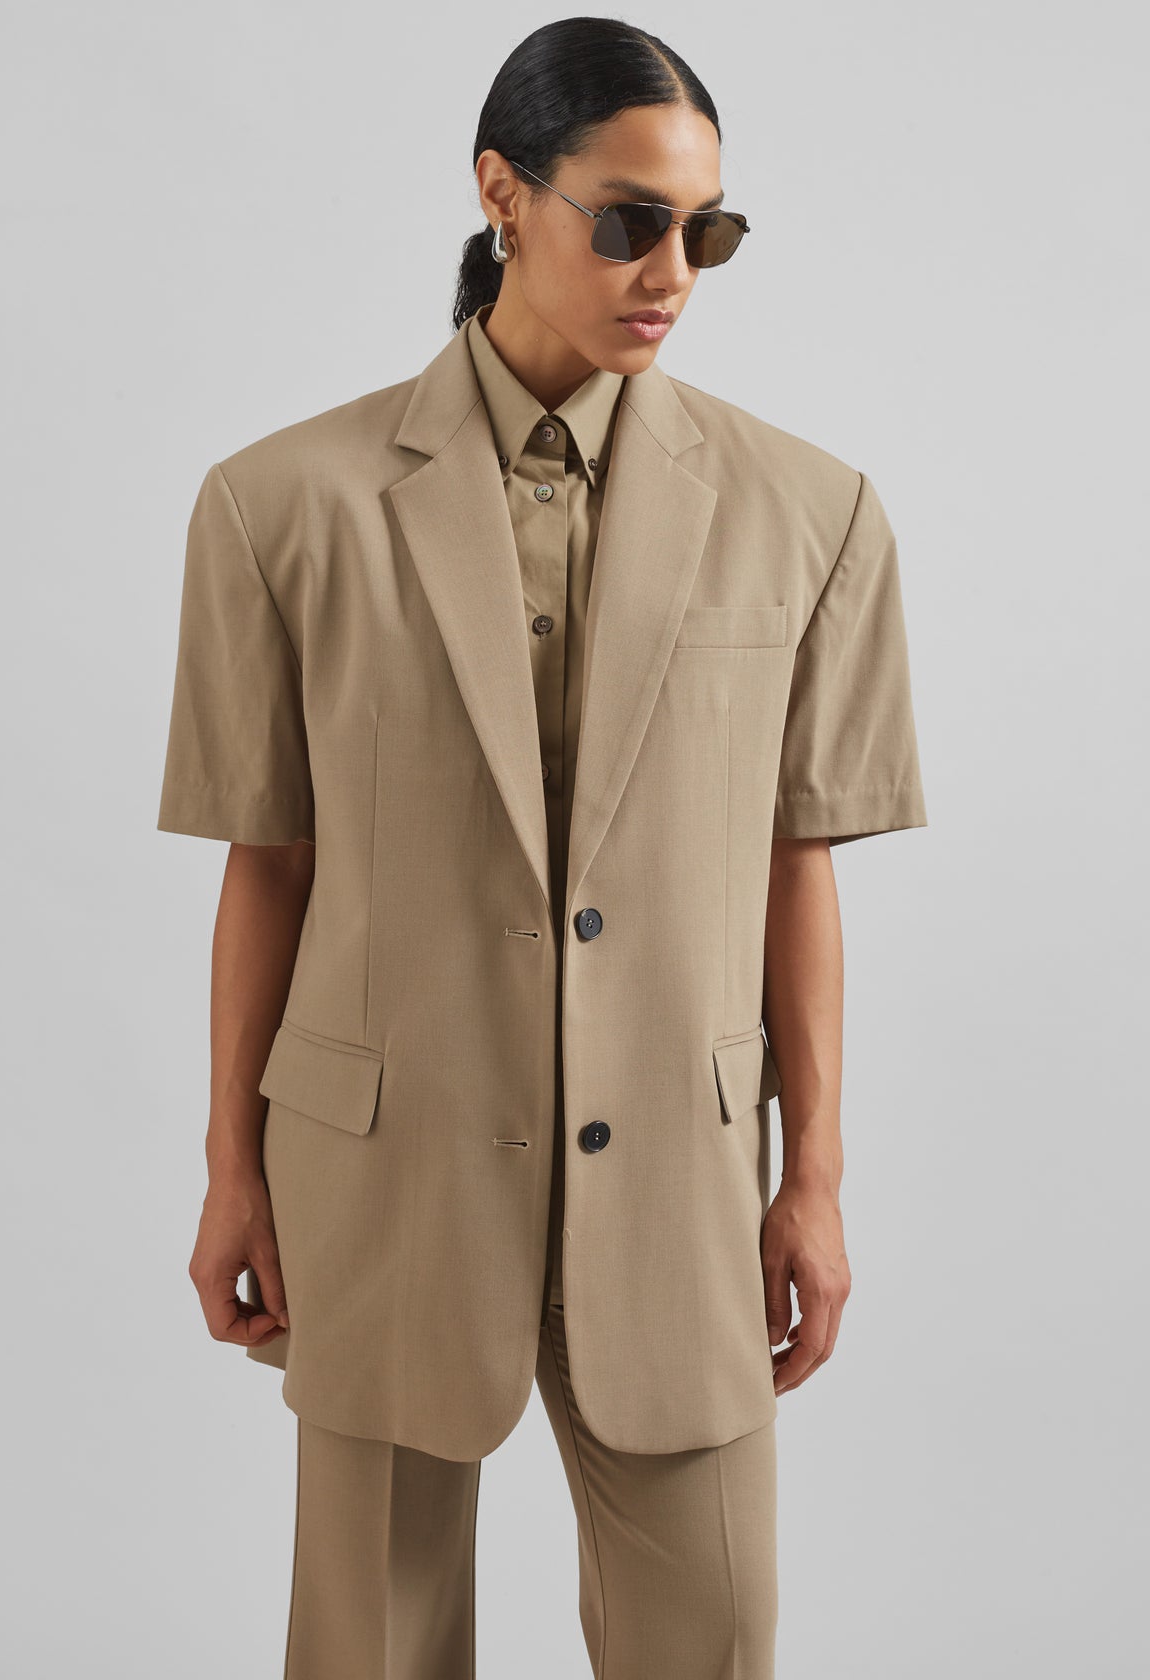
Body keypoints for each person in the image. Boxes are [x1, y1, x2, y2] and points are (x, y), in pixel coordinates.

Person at [156, 17, 927, 1679]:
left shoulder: (815, 514)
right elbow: (268, 865)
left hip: (684, 1192)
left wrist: (813, 1178)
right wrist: (230, 1167)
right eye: (631, 220)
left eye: (708, 230)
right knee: (369, 1647)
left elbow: (798, 862)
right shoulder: (279, 507)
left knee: (712, 1639)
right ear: (501, 192)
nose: (674, 273)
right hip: (382, 1178)